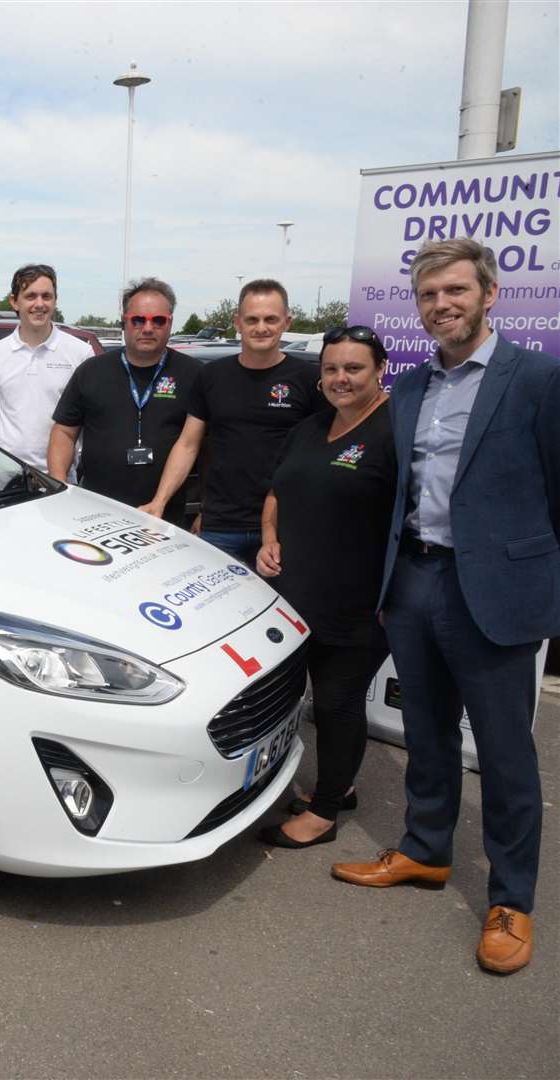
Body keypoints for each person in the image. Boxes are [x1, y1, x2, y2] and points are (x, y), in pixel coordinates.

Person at [332, 238, 560, 976]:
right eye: (429, 296)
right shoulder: (411, 390)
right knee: (425, 733)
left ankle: (511, 900)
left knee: (502, 754)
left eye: (456, 291)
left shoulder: (538, 379)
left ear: (490, 294)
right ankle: (427, 852)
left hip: (492, 590)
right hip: (417, 579)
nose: (442, 306)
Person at [254, 327, 395, 849]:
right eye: (331, 368)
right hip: (297, 596)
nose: (341, 379)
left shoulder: (395, 432)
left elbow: (414, 522)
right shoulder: (310, 428)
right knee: (315, 698)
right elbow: (277, 491)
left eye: (354, 368)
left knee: (337, 701)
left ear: (380, 369)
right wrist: (269, 536)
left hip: (358, 603)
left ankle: (326, 812)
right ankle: (343, 784)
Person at [138, 280, 323, 563]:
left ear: (287, 321)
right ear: (237, 322)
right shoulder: (212, 376)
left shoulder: (308, 380)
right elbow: (188, 444)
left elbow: (321, 453)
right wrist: (159, 501)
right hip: (221, 526)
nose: (261, 327)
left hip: (283, 527)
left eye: (270, 319)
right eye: (252, 319)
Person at [47, 278, 200, 523]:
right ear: (124, 321)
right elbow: (64, 432)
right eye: (138, 320)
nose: (148, 328)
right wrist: (59, 486)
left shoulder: (193, 375)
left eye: (158, 320)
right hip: (95, 513)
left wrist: (200, 509)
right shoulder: (91, 371)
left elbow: (198, 445)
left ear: (170, 322)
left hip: (165, 515)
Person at [0, 264, 92, 472]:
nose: (39, 304)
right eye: (31, 296)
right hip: (6, 473)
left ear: (55, 300)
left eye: (46, 296)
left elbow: (86, 420)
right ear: (14, 301)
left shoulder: (80, 353)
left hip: (60, 475)